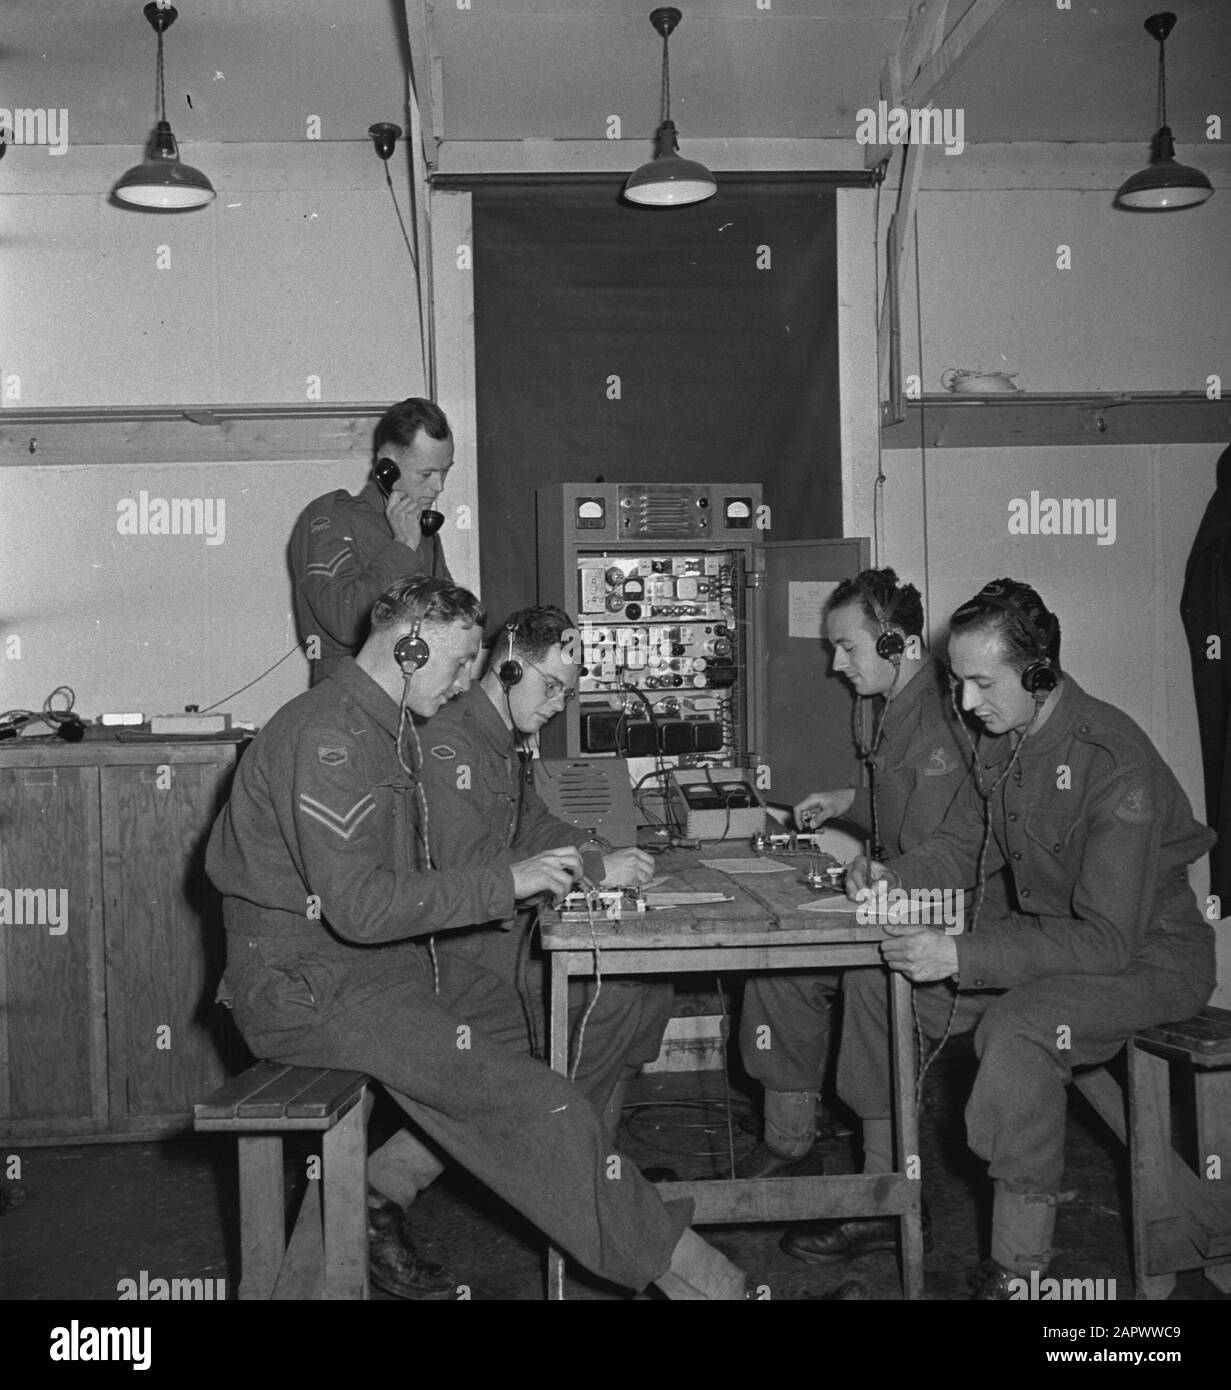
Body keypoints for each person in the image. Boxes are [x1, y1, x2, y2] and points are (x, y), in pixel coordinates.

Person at [205, 575, 752, 1301]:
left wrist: (560, 864)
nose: (471, 680)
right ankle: (719, 1287)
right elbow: (362, 908)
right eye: (462, 662)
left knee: (544, 1027)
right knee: (543, 1109)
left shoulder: (379, 724)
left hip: (374, 970)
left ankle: (372, 1205)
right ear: (408, 648)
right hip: (310, 988)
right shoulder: (327, 736)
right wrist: (513, 881)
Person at [833, 578, 1216, 1298]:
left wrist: (960, 954)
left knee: (1018, 1029)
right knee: (874, 987)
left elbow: (1105, 941)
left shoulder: (1111, 761)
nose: (968, 704)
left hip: (1147, 955)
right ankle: (877, 1199)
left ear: (1039, 674)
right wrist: (891, 873)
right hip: (1050, 939)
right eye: (957, 683)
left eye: (982, 683)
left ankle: (1016, 1268)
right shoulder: (1006, 739)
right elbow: (962, 844)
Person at [738, 569, 1000, 1201]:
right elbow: (908, 801)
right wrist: (847, 798)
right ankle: (789, 1141)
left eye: (848, 647)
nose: (836, 663)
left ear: (894, 644)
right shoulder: (896, 708)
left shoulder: (946, 717)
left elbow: (954, 846)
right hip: (904, 888)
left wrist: (886, 873)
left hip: (957, 910)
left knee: (869, 981)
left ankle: (888, 1188)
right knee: (781, 968)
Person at [421, 604, 675, 1133]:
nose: (559, 706)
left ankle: (598, 1152)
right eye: (553, 686)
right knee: (615, 990)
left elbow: (535, 825)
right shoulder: (450, 740)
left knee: (650, 982)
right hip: (455, 943)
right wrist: (587, 872)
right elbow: (468, 871)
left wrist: (598, 855)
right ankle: (555, 1147)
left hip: (492, 929)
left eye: (568, 693)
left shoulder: (498, 740)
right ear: (510, 668)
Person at [290, 397, 454, 686]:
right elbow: (346, 624)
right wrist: (402, 547)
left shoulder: (423, 530)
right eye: (427, 474)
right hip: (351, 697)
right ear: (386, 467)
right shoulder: (331, 518)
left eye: (445, 471)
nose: (438, 486)